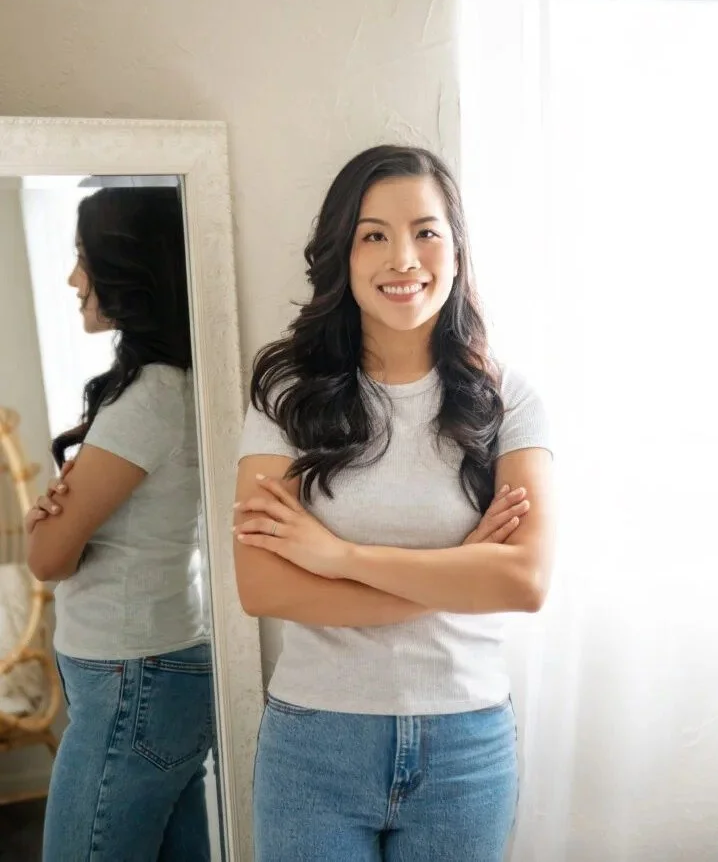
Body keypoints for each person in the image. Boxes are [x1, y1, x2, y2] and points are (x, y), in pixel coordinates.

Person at [233, 145, 554, 861]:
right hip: (316, 741)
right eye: (373, 235)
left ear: (458, 249)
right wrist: (458, 569)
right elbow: (262, 586)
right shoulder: (288, 396)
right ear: (342, 257)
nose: (403, 258)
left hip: (465, 745)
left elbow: (523, 582)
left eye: (426, 232)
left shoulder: (510, 400)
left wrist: (338, 558)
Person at [25, 187, 214, 862]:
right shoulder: (171, 386)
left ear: (127, 271)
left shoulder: (149, 399)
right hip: (152, 668)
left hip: (132, 678)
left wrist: (44, 521)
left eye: (83, 259)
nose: (74, 279)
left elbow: (48, 558)